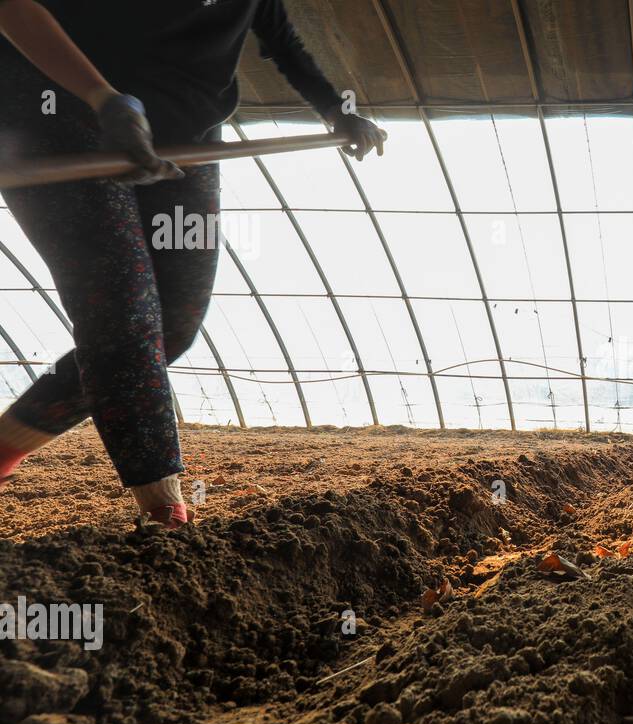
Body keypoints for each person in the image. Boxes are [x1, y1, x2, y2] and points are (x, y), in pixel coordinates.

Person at [0, 0, 385, 527]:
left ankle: (6, 443)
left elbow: (275, 34)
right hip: (55, 115)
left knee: (173, 327)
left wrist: (333, 107)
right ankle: (164, 509)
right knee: (122, 312)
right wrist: (106, 100)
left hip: (186, 134)